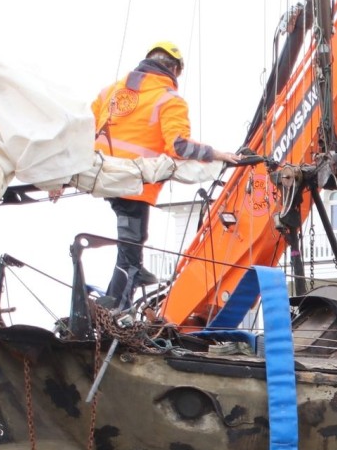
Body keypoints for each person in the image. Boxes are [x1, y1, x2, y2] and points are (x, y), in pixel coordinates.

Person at [90, 42, 241, 310]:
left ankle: (123, 291)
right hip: (136, 183)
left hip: (105, 178)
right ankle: (116, 311)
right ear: (172, 68)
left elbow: (83, 132)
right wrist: (216, 154)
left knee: (132, 247)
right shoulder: (168, 99)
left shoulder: (109, 92)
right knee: (130, 253)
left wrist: (64, 176)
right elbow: (179, 147)